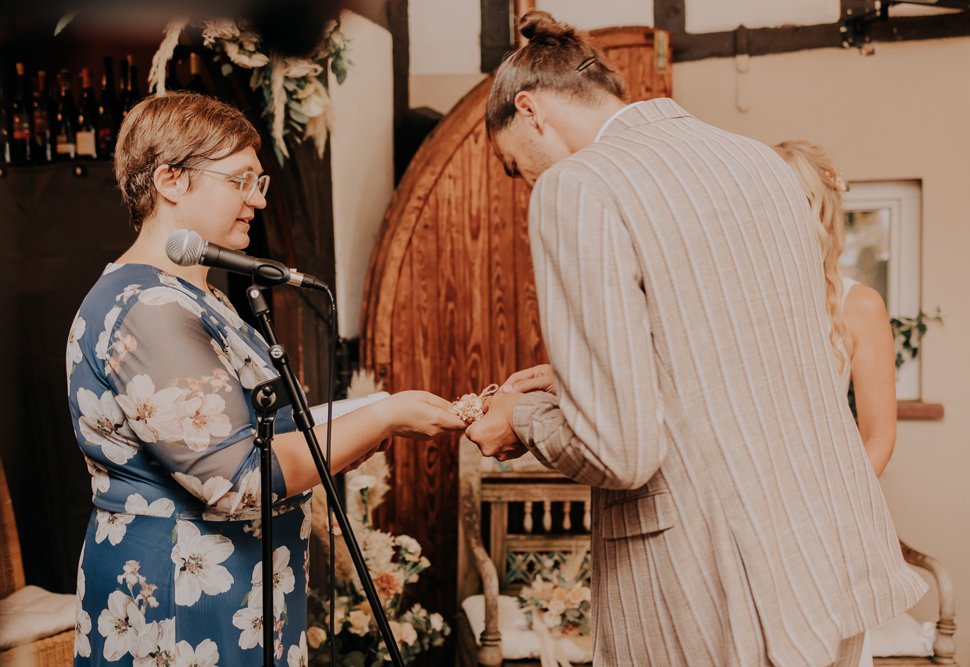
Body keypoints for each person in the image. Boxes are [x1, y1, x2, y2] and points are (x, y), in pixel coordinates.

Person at [464, 11, 926, 667]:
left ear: (532, 110)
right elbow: (731, 358)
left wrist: (526, 415)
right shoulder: (757, 162)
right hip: (827, 575)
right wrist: (576, 380)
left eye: (515, 167)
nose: (526, 186)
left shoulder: (578, 184)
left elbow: (620, 450)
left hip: (711, 593)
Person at [66, 92, 466, 665]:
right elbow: (237, 481)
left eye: (260, 183)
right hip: (179, 595)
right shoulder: (147, 308)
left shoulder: (193, 293)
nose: (255, 200)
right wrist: (383, 417)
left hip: (235, 585)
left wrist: (384, 406)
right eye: (239, 180)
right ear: (170, 180)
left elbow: (262, 429)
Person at [774, 140, 896, 477]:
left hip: (827, 493)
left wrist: (837, 508)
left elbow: (879, 436)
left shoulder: (860, 306)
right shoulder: (735, 296)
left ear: (822, 212)